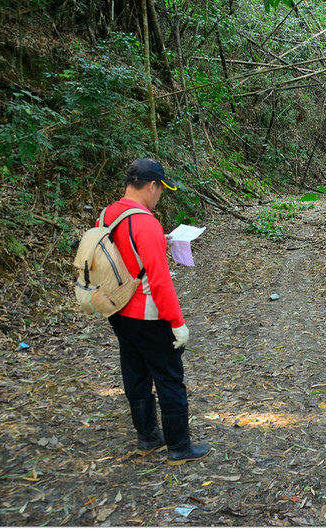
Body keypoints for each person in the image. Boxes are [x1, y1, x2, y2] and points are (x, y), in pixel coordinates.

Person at [99, 158, 210, 466]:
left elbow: (123, 252)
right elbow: (160, 282)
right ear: (151, 186)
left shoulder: (108, 214)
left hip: (118, 309)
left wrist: (161, 241)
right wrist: (177, 323)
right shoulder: (146, 222)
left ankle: (147, 437)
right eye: (160, 189)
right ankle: (179, 447)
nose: (160, 195)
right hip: (147, 315)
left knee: (135, 371)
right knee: (169, 376)